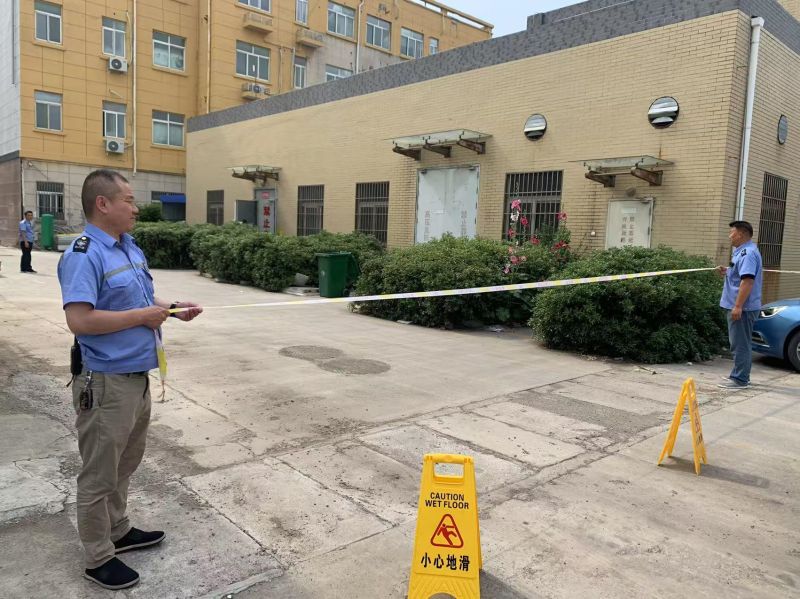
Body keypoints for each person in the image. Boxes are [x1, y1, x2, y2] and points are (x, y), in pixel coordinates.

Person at [57, 169, 203, 590]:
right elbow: (80, 320)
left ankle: (118, 531)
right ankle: (98, 557)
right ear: (102, 204)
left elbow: (141, 298)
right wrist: (143, 317)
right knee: (99, 473)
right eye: (128, 200)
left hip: (136, 378)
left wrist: (171, 308)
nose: (136, 208)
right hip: (105, 383)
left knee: (124, 463)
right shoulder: (85, 254)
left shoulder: (127, 246)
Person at [716, 220, 762, 390]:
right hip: (742, 306)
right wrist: (728, 271)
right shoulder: (743, 251)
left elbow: (747, 281)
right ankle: (739, 374)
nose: (730, 236)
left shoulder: (747, 253)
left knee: (740, 344)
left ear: (741, 234)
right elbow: (740, 274)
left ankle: (740, 379)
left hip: (743, 308)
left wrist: (738, 306)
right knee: (741, 342)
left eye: (732, 233)